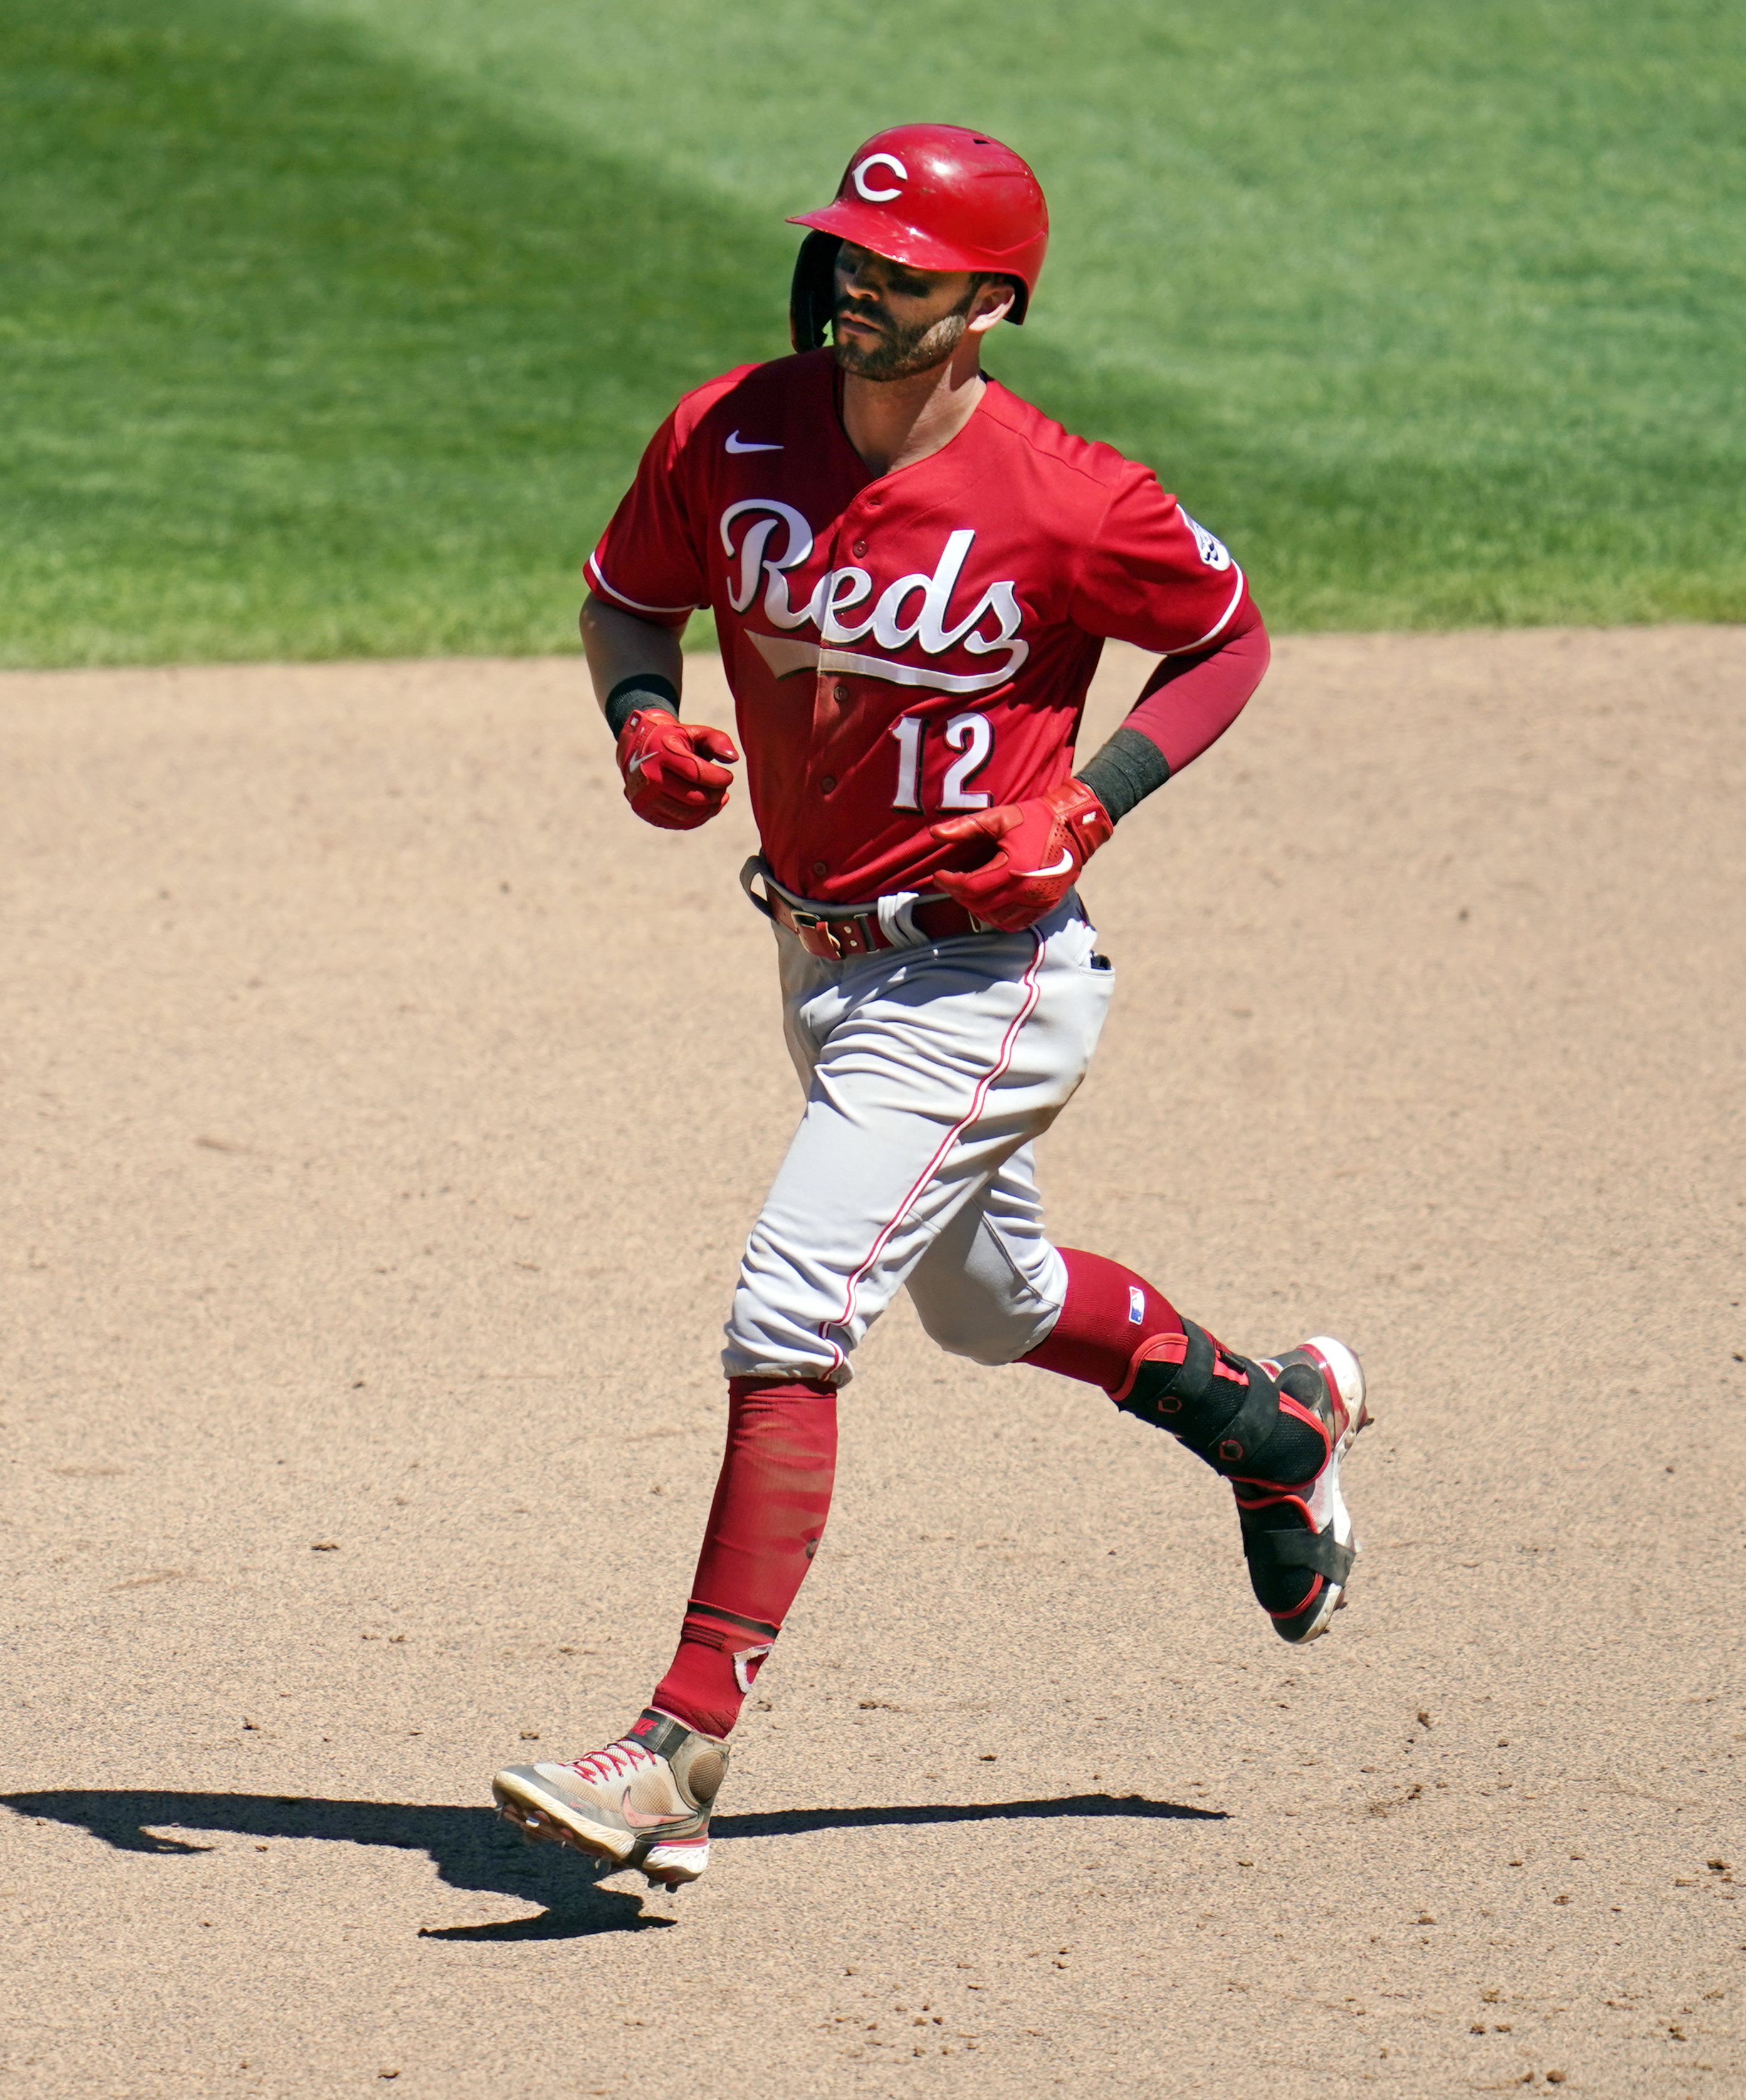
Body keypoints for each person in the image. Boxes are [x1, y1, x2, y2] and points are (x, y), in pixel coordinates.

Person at [487, 125, 1371, 1893]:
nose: (855, 287)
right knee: (994, 1303)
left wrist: (1096, 792)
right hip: (818, 961)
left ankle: (679, 1743)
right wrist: (642, 724)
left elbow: (1231, 637)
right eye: (846, 255)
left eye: (898, 270)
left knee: (789, 1301)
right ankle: (1275, 1429)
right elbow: (621, 605)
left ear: (989, 304)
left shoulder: (1068, 495)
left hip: (989, 974)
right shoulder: (730, 430)